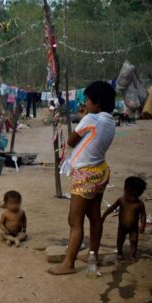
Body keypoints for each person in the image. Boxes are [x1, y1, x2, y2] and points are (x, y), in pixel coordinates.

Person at [49, 81, 116, 275]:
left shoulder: (91, 119)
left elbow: (70, 141)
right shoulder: (110, 122)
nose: (85, 103)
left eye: (87, 99)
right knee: (94, 216)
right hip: (100, 170)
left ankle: (68, 264)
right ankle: (92, 254)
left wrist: (83, 117)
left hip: (85, 174)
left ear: (98, 102)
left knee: (74, 220)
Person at [102, 177, 147, 260]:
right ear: (126, 190)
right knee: (120, 240)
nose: (131, 197)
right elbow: (112, 208)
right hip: (122, 227)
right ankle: (119, 252)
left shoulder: (139, 204)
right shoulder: (121, 200)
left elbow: (143, 215)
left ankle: (133, 255)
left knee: (134, 241)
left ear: (139, 194)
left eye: (134, 195)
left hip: (134, 228)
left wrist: (143, 225)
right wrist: (104, 215)